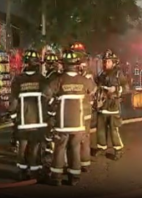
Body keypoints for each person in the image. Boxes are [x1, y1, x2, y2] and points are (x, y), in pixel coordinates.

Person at [44, 50, 96, 186]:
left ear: (64, 65)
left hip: (62, 123)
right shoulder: (84, 80)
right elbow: (94, 89)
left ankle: (57, 177)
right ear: (76, 65)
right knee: (75, 148)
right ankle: (74, 178)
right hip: (79, 123)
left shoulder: (59, 80)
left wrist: (53, 104)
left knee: (60, 148)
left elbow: (46, 93)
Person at [8, 49, 48, 181]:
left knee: (22, 148)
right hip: (39, 122)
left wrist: (13, 117)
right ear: (37, 64)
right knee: (35, 149)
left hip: (23, 122)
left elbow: (13, 101)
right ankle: (34, 173)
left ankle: (22, 172)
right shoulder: (42, 80)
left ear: (25, 63)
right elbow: (49, 99)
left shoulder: (18, 80)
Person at [93, 50, 126, 160]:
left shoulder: (118, 74)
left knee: (113, 129)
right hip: (102, 105)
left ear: (114, 62)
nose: (105, 64)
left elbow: (126, 88)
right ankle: (102, 148)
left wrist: (116, 89)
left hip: (113, 106)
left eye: (108, 62)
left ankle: (118, 150)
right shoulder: (102, 74)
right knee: (101, 129)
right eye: (104, 61)